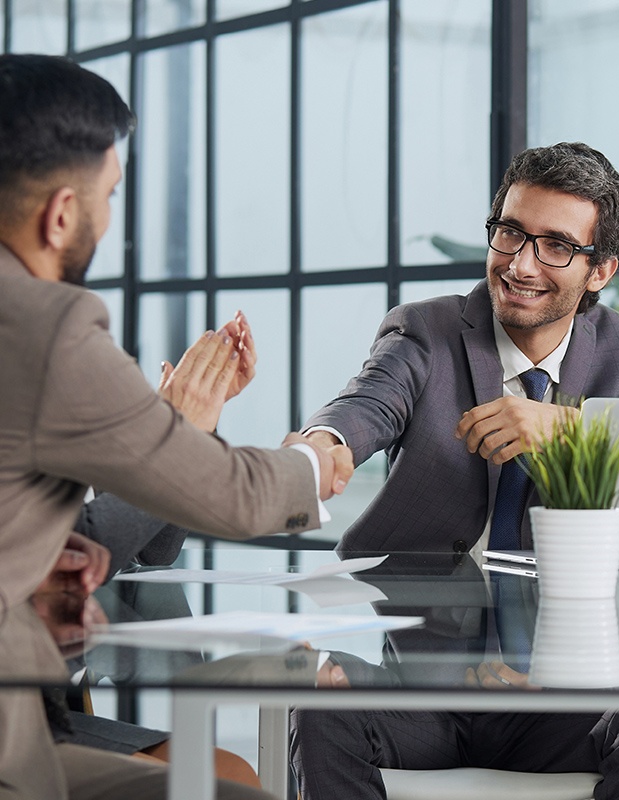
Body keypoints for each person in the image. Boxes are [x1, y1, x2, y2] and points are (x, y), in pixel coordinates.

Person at [291, 142, 619, 800]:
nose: (521, 263)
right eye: (510, 232)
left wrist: (565, 429)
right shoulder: (427, 330)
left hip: (558, 689)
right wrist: (323, 445)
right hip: (423, 685)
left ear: (602, 270)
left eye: (556, 245)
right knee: (317, 708)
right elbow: (365, 404)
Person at [0, 52, 353, 799]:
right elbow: (231, 495)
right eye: (111, 194)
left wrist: (41, 552)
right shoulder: (44, 324)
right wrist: (314, 463)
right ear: (62, 213)